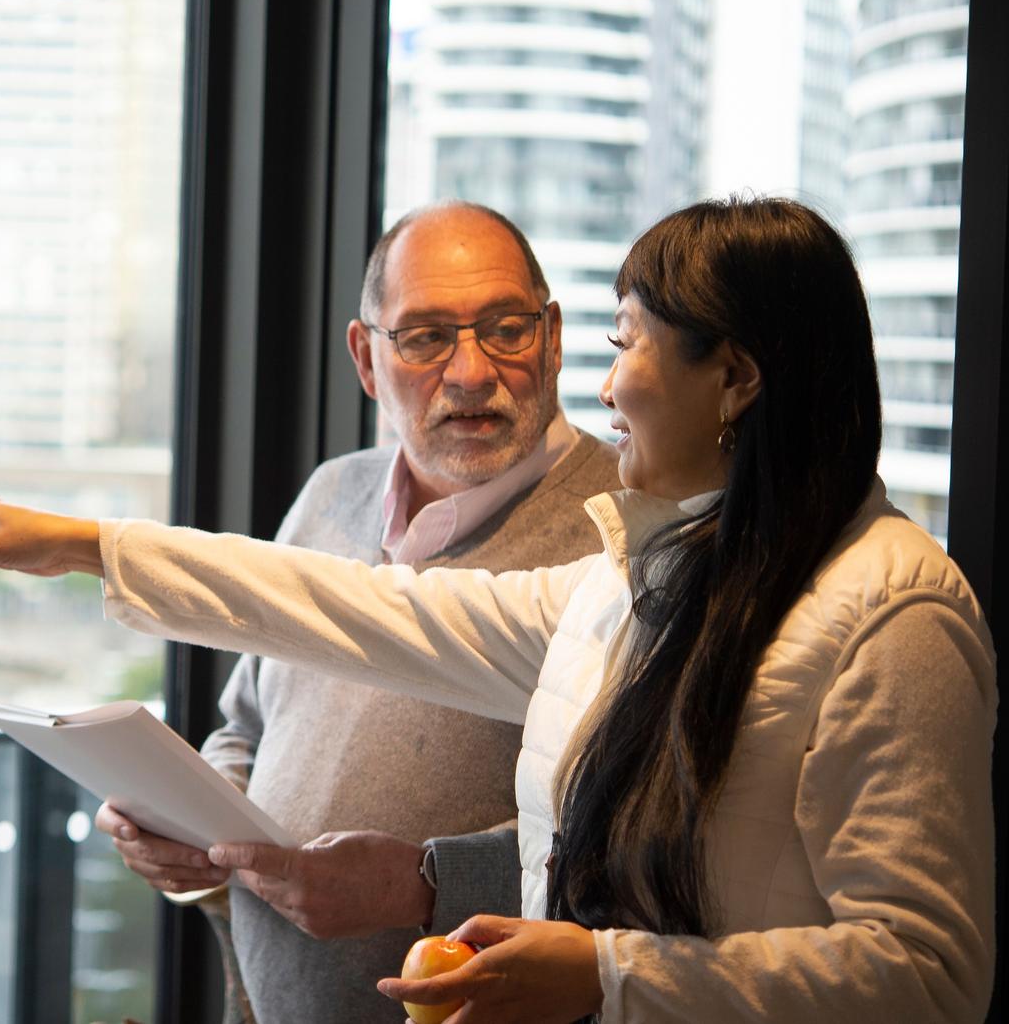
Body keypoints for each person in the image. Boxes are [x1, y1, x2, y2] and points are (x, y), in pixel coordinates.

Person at [0, 197, 996, 1022]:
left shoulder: (894, 614)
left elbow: (929, 975)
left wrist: (603, 970)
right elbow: (359, 609)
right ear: (367, 356)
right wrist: (85, 546)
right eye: (427, 336)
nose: (606, 389)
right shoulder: (642, 581)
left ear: (737, 380)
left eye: (624, 348)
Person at [94, 203, 619, 1023]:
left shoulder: (627, 528)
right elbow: (245, 722)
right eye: (425, 337)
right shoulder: (331, 492)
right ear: (366, 360)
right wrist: (197, 825)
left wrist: (425, 883)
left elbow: (654, 835)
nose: (473, 372)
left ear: (552, 336)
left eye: (506, 328)